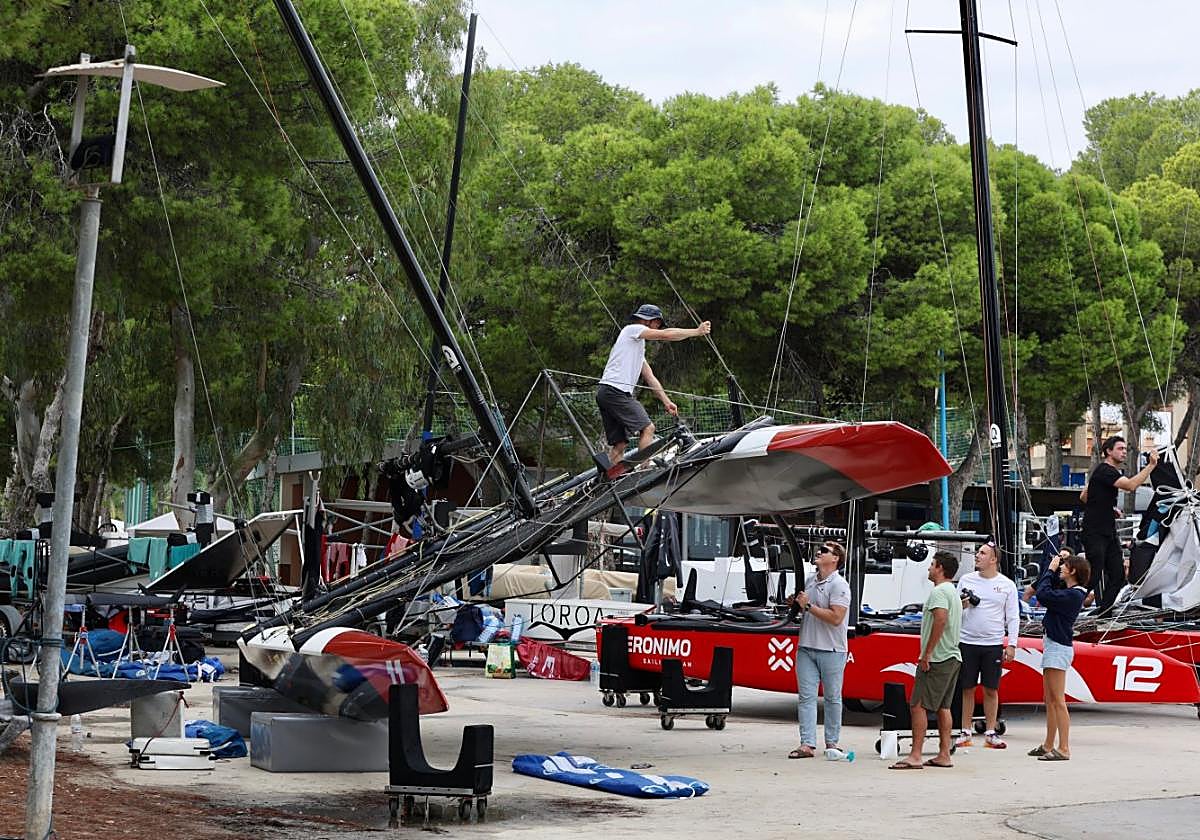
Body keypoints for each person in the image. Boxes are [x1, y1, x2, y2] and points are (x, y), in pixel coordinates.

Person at [596, 304, 711, 467]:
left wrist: (666, 401)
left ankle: (612, 482)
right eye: (657, 322)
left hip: (606, 392)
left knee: (620, 444)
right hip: (615, 391)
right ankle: (644, 470)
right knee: (648, 428)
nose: (658, 327)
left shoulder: (636, 346)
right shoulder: (632, 329)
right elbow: (665, 335)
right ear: (647, 320)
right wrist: (696, 331)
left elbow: (650, 377)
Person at [890, 551, 962, 770]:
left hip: (938, 658)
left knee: (918, 705)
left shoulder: (940, 592)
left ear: (940, 568)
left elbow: (940, 619)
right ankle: (943, 754)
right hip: (952, 655)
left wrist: (927, 654)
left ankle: (915, 755)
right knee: (943, 706)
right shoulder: (953, 591)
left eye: (932, 564)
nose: (929, 568)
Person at [788, 541, 852, 760]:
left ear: (835, 559)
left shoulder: (839, 585)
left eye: (825, 551)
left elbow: (836, 618)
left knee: (833, 697)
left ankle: (832, 742)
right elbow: (805, 608)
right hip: (807, 646)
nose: (819, 552)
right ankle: (807, 743)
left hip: (832, 649)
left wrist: (808, 606)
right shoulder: (810, 581)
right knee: (806, 697)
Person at [1080, 436, 1157, 616]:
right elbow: (1130, 486)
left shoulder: (1103, 473)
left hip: (1108, 532)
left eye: (1125, 449)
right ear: (1109, 451)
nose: (1124, 452)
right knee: (1094, 575)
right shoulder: (1106, 470)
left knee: (1117, 575)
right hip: (1095, 532)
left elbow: (1084, 496)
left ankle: (1103, 614)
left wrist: (1108, 507)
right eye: (1120, 449)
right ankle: (1065, 605)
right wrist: (1151, 466)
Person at [954, 540, 1019, 749]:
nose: (977, 556)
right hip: (967, 641)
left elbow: (1013, 617)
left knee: (991, 689)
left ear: (993, 559)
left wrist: (1012, 644)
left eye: (982, 553)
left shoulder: (1007, 585)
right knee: (967, 688)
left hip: (992, 643)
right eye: (977, 553)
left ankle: (991, 732)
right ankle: (965, 731)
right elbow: (955, 608)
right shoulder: (966, 580)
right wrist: (963, 604)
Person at [1030, 550, 1091, 761]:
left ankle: (1064, 747)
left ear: (1073, 571)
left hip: (1058, 647)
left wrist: (1049, 569)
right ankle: (1049, 743)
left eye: (1066, 566)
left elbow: (1044, 593)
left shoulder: (1074, 595)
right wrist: (1057, 564)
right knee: (1050, 699)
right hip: (1053, 644)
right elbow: (1051, 587)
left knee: (1058, 699)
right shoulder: (1070, 592)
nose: (1061, 568)